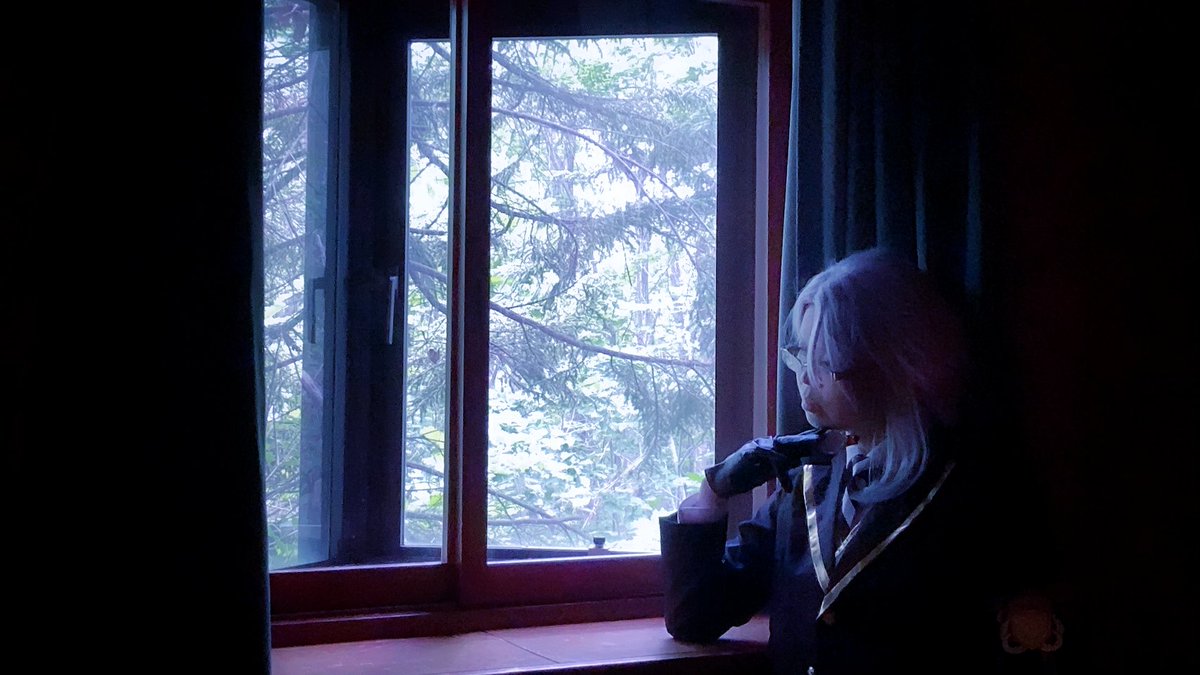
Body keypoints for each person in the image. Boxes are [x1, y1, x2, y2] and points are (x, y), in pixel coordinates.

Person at [660, 247, 1057, 674]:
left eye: (824, 362)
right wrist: (713, 492)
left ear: (891, 364)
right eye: (800, 355)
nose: (805, 377)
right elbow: (695, 617)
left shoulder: (970, 492)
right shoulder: (806, 484)